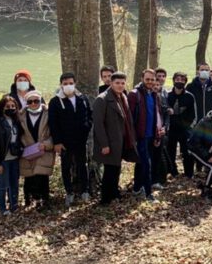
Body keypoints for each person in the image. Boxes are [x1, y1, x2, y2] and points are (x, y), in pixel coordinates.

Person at [48, 72, 93, 206]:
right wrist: (57, 142)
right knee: (66, 167)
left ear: (75, 83)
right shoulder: (55, 101)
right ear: (61, 85)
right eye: (65, 84)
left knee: (82, 165)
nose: (68, 86)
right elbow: (53, 123)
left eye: (71, 83)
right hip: (64, 142)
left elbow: (89, 115)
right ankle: (69, 193)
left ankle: (85, 191)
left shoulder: (82, 98)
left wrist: (86, 127)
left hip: (80, 140)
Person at [93, 71, 135, 205]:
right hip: (109, 142)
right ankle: (105, 198)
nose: (120, 85)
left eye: (123, 83)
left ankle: (114, 193)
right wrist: (104, 144)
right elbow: (98, 124)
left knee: (117, 168)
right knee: (109, 171)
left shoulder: (123, 97)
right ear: (111, 83)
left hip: (121, 141)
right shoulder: (102, 99)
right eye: (117, 83)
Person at [127, 69, 163, 201]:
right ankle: (148, 194)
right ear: (142, 78)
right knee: (146, 163)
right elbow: (129, 119)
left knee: (141, 163)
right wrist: (132, 138)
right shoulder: (134, 94)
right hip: (140, 136)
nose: (150, 82)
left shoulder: (154, 94)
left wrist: (157, 135)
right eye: (147, 79)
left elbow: (157, 115)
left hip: (151, 135)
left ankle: (136, 188)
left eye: (152, 79)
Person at [18, 91, 54, 210]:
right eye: (30, 101)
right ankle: (29, 200)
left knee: (42, 176)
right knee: (29, 176)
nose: (33, 104)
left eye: (36, 101)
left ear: (40, 101)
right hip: (27, 150)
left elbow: (55, 133)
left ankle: (44, 200)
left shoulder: (49, 114)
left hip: (43, 150)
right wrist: (22, 146)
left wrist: (47, 144)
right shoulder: (20, 116)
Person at [0, 95, 22, 215]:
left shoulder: (16, 121)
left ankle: (14, 205)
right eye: (8, 106)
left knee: (14, 184)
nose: (11, 108)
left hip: (14, 158)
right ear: (2, 107)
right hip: (2, 159)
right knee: (3, 185)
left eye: (13, 106)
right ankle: (3, 209)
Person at [166, 72, 197, 178]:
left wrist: (188, 127)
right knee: (170, 151)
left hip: (185, 129)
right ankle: (172, 172)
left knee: (187, 152)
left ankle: (189, 173)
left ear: (185, 82)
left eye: (182, 80)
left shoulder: (189, 96)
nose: (179, 81)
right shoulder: (168, 95)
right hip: (171, 129)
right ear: (173, 80)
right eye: (177, 79)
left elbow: (193, 115)